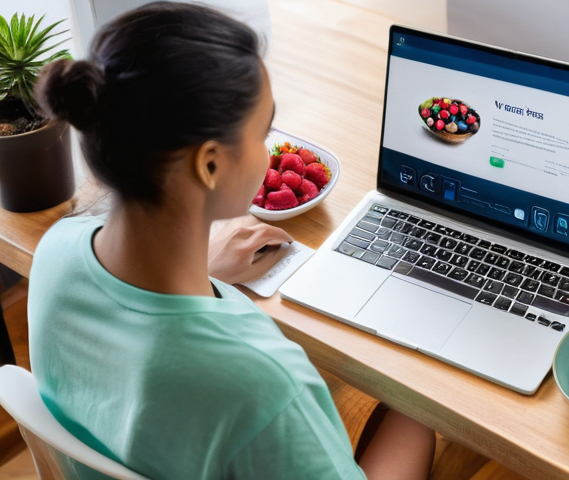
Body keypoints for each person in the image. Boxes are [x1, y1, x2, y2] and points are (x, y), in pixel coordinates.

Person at [27, 2, 435, 479]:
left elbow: (141, 334)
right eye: (263, 133)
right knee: (416, 415)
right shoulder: (262, 382)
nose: (269, 151)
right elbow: (233, 381)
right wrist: (422, 397)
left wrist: (202, 271)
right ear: (211, 165)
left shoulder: (57, 250)